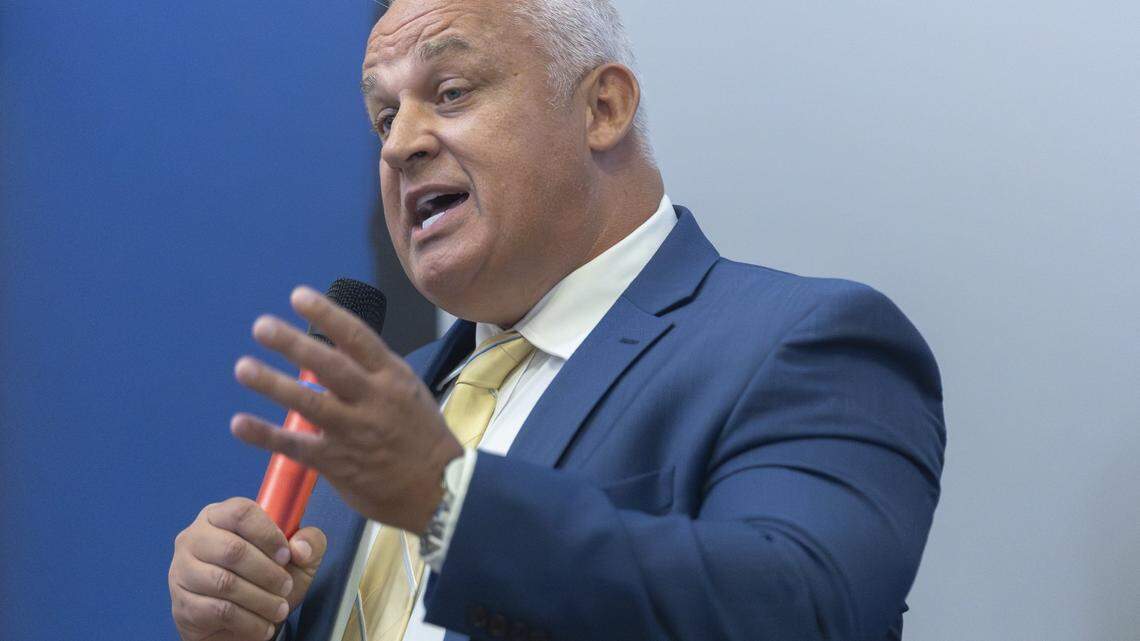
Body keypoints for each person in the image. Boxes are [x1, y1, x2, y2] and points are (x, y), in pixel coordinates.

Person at [167, 0, 946, 639]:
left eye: (451, 92)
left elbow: (803, 612)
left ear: (603, 107)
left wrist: (447, 502)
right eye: (382, 117)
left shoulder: (806, 344)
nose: (400, 144)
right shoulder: (385, 412)